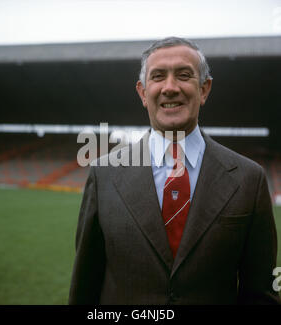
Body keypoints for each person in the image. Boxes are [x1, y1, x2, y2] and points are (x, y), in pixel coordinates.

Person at [69, 37, 280, 305]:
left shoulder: (249, 179)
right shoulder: (104, 174)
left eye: (183, 75)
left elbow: (261, 293)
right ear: (143, 93)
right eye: (158, 76)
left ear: (204, 89)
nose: (170, 88)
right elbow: (84, 285)